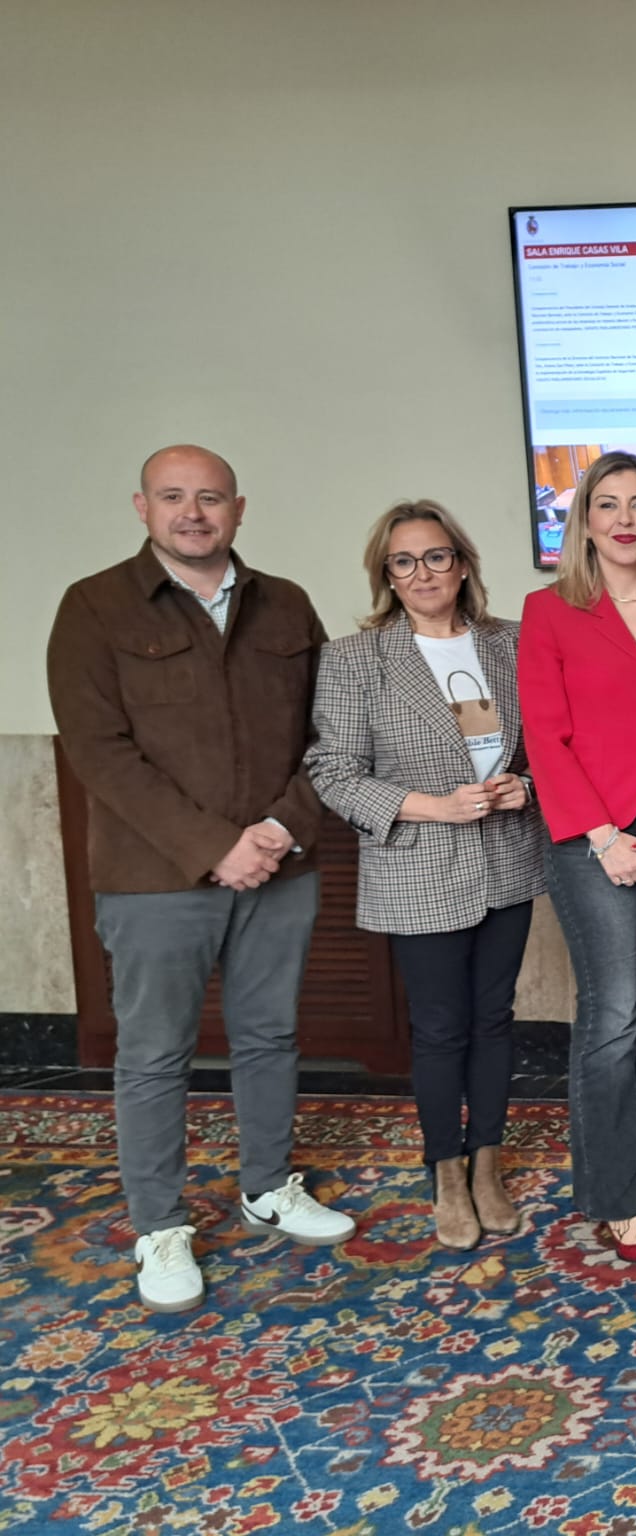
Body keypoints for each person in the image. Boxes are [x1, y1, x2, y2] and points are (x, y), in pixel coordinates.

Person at [47, 445, 355, 1313]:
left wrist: (277, 830)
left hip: (278, 868)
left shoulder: (286, 604)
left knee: (268, 1037)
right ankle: (160, 1225)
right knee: (154, 1055)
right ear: (141, 506)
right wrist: (216, 845)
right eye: (174, 497)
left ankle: (268, 1187)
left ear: (239, 508)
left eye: (210, 498)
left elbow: (327, 736)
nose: (194, 512)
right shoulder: (93, 607)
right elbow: (99, 754)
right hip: (156, 879)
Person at [306, 500, 547, 1250]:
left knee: (494, 1019)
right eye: (403, 561)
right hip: (418, 865)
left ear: (463, 563)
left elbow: (550, 743)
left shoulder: (512, 643)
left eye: (436, 556)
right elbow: (332, 771)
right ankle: (444, 1168)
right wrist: (431, 807)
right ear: (387, 575)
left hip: (506, 858)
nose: (422, 573)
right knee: (441, 1028)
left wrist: (526, 786)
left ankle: (487, 1164)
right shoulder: (355, 658)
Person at [519, 452, 636, 1264]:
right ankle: (619, 1195)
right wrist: (602, 836)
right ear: (585, 522)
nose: (626, 519)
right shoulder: (548, 611)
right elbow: (545, 735)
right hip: (588, 840)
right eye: (609, 505)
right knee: (615, 1012)